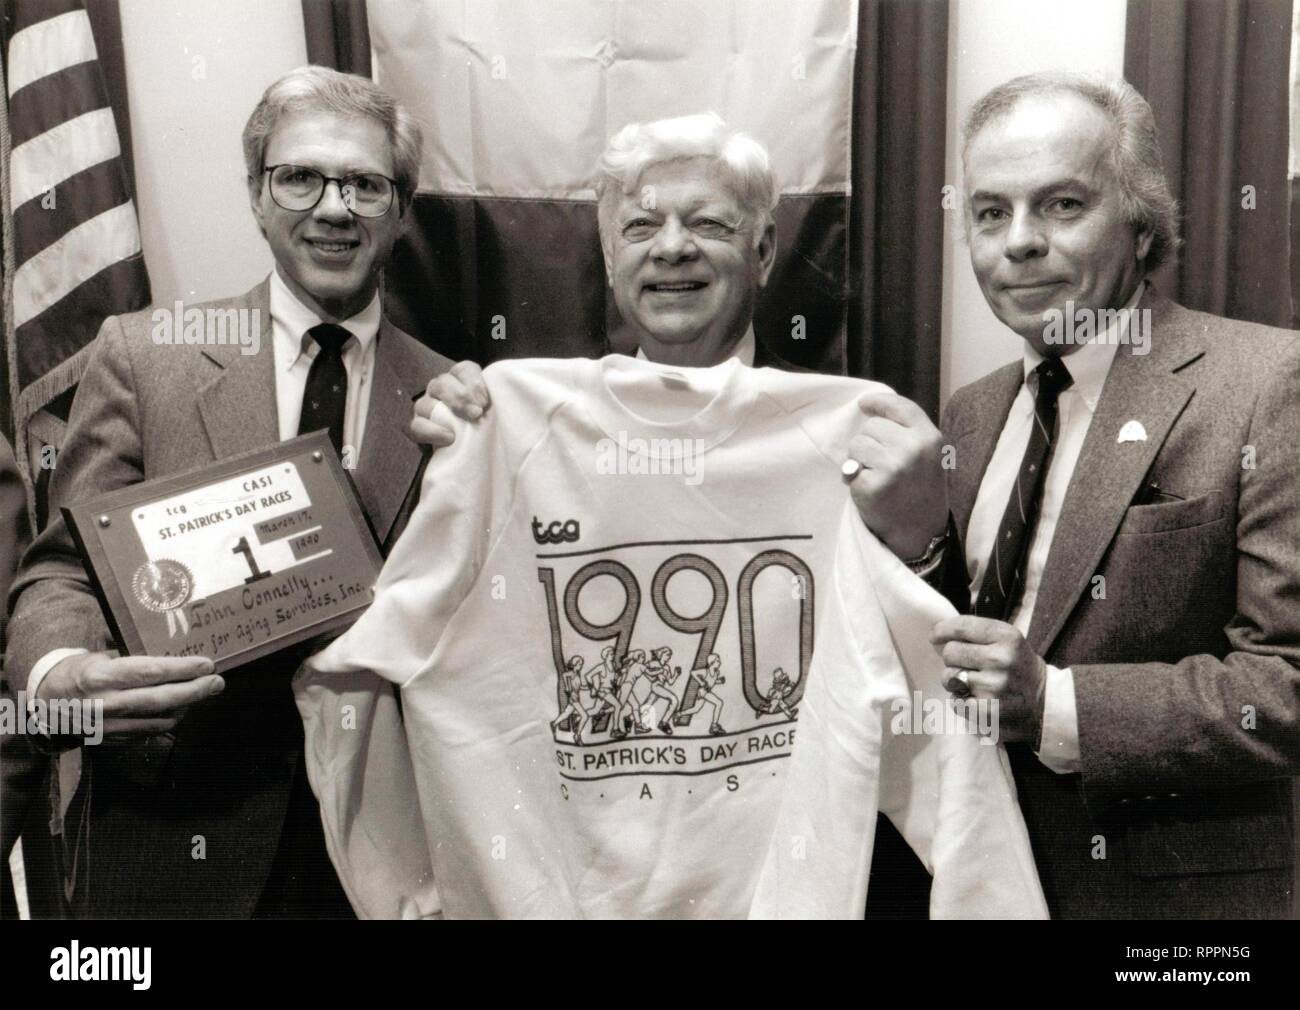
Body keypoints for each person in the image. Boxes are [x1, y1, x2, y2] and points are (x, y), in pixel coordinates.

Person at [405, 113, 947, 916]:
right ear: (609, 257)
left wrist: (921, 532)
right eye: (640, 225)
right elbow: (397, 663)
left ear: (764, 252)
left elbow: (934, 693)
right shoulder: (506, 421)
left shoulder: (862, 432)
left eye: (708, 224)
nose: (671, 247)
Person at [4, 65, 451, 918]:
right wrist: (62, 669)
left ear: (400, 212)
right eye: (300, 177)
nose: (332, 207)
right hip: (175, 834)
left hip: (392, 852)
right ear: (256, 194)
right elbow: (64, 570)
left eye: (364, 184)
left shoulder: (457, 398)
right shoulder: (147, 356)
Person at [931, 71, 1300, 918]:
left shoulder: (1266, 381)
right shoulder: (971, 411)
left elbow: (1286, 685)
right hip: (968, 879)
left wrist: (1056, 705)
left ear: (1140, 225)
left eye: (1062, 205)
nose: (1018, 242)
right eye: (990, 213)